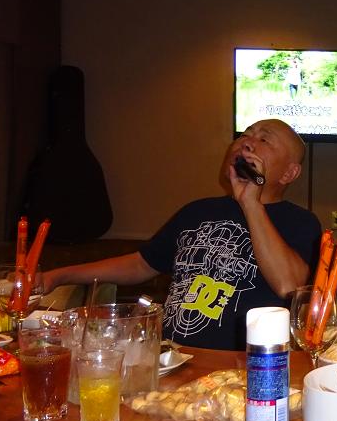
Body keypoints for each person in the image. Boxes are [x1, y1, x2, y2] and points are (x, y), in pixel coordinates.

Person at [43, 119, 321, 350]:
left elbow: (289, 285)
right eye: (245, 134)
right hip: (170, 357)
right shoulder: (197, 211)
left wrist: (251, 203)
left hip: (243, 367)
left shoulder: (300, 222)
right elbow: (140, 264)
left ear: (289, 173)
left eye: (264, 139)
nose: (247, 142)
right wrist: (58, 276)